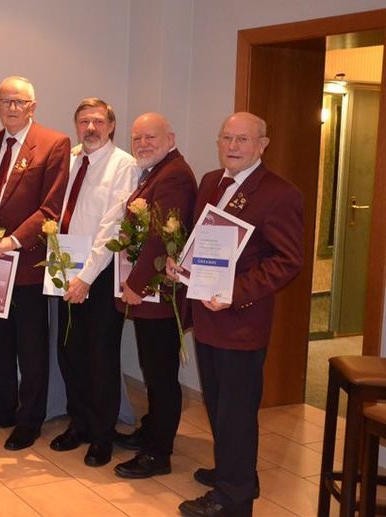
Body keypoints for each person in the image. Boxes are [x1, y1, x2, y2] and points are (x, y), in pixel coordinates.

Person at [172, 112, 303, 517]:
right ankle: (234, 471)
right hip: (209, 314)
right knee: (217, 403)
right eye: (226, 138)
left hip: (242, 320)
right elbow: (204, 241)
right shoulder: (213, 181)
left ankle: (233, 500)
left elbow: (287, 260)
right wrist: (183, 266)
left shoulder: (280, 193)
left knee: (236, 411)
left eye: (242, 140)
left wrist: (234, 292)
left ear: (263, 144)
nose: (232, 146)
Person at [0, 76, 70, 451]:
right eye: (4, 101)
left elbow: (51, 207)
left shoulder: (54, 143)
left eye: (18, 102)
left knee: (30, 348)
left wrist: (12, 241)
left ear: (33, 106)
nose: (11, 107)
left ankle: (29, 420)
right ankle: (1, 409)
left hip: (27, 263)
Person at [50, 98, 137, 466]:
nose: (90, 128)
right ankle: (80, 423)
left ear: (111, 125)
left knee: (100, 357)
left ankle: (102, 436)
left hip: (98, 277)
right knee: (70, 353)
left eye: (98, 121)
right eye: (84, 121)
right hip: (65, 266)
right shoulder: (70, 159)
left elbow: (113, 227)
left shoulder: (124, 165)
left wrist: (85, 278)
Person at [112, 112, 197, 479]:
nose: (143, 144)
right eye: (137, 138)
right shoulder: (156, 171)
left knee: (160, 375)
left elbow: (162, 233)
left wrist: (136, 282)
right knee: (152, 369)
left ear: (170, 137)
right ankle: (151, 429)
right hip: (150, 293)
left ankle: (157, 454)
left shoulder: (174, 174)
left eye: (150, 137)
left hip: (160, 296)